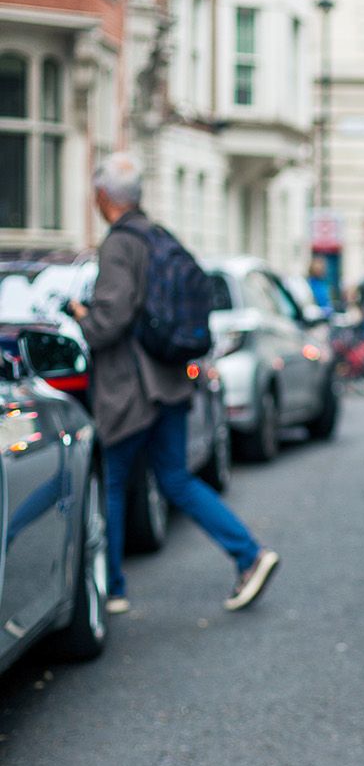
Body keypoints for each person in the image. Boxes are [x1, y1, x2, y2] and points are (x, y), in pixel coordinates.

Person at [71, 154, 279, 616]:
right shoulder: (160, 236)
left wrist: (82, 315)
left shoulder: (119, 245)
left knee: (112, 482)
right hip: (169, 382)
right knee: (176, 479)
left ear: (102, 197)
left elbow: (110, 321)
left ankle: (113, 588)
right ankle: (249, 554)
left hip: (131, 391)